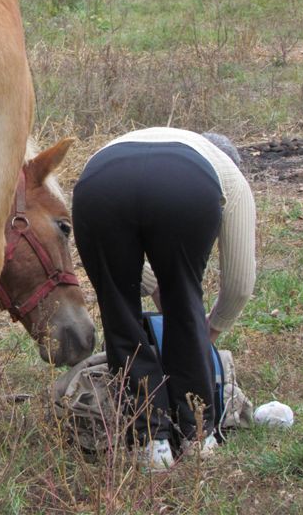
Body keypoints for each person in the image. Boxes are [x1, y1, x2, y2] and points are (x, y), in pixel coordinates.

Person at [71, 128, 256, 471]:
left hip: (98, 184)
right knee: (186, 304)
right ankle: (197, 438)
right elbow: (240, 284)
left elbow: (128, 271)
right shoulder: (230, 176)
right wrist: (205, 333)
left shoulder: (147, 140)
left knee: (119, 313)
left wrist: (160, 291)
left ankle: (149, 445)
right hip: (185, 190)